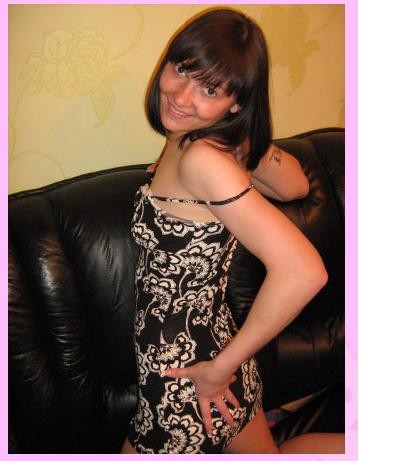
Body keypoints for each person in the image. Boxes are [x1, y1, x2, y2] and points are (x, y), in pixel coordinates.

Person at [121, 7, 344, 454]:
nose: (182, 96)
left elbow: (305, 271)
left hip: (185, 378)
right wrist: (242, 144)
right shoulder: (200, 141)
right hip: (214, 350)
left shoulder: (205, 159)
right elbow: (295, 185)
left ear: (236, 103)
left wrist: (219, 368)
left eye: (210, 89)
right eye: (182, 70)